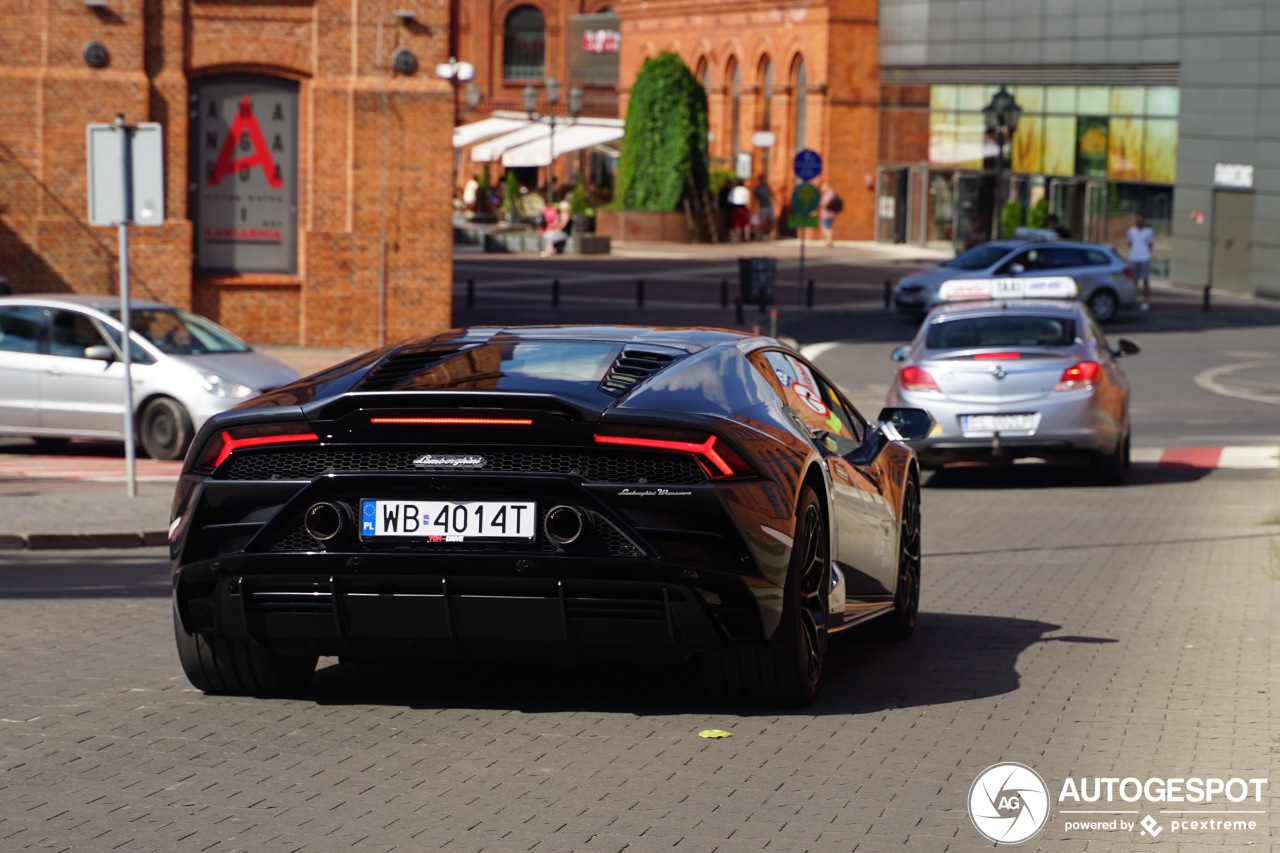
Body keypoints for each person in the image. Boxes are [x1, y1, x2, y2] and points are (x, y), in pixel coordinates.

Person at [1126, 211, 1155, 310]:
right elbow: (1129, 244)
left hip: (1144, 258)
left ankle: (1146, 301)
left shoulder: (1148, 231)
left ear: (1143, 219)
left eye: (1140, 218)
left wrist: (1148, 255)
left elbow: (1150, 244)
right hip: (1134, 258)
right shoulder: (1131, 231)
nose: (1138, 220)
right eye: (1137, 218)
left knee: (1145, 281)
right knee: (1134, 281)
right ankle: (1131, 300)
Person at [752, 174, 775, 240]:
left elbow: (771, 195)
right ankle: (760, 234)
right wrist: (755, 208)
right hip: (762, 207)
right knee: (762, 222)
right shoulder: (757, 188)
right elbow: (755, 199)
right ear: (760, 180)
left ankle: (773, 234)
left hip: (769, 206)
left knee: (773, 220)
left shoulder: (767, 186)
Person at [818, 183, 840, 248]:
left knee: (825, 228)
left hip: (826, 214)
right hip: (830, 214)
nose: (822, 189)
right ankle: (828, 241)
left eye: (823, 188)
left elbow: (825, 204)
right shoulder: (832, 194)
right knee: (828, 228)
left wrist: (819, 203)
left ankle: (829, 240)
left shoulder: (828, 195)